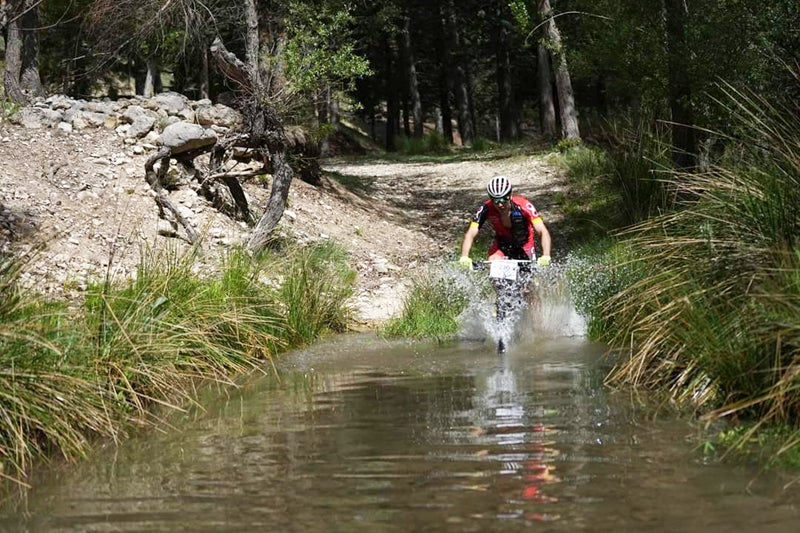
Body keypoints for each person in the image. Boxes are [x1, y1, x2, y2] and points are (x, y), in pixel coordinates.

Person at [459, 175, 552, 268]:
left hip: (525, 245)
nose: (500, 204)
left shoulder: (524, 206)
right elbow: (471, 233)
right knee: (493, 263)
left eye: (504, 199)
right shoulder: (486, 208)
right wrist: (464, 256)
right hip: (502, 245)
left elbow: (543, 231)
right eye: (496, 200)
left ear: (510, 195)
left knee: (528, 278)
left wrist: (546, 255)